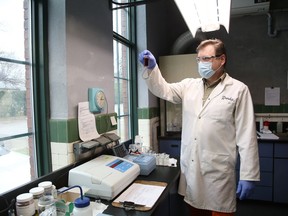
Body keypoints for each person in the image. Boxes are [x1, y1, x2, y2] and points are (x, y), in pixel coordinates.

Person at [138, 39, 260, 216]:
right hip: (193, 169)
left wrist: (249, 175)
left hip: (218, 171)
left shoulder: (239, 90)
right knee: (195, 211)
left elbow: (246, 136)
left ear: (222, 59)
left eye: (206, 58)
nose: (201, 63)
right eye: (199, 59)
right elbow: (163, 90)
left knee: (220, 212)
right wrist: (151, 69)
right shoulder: (189, 86)